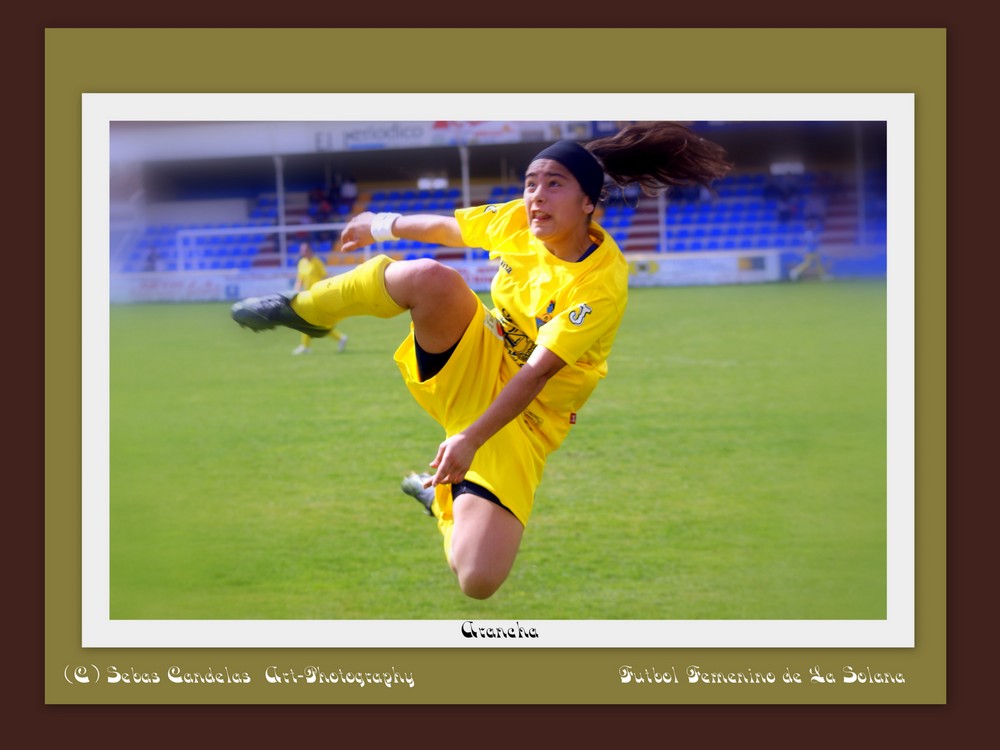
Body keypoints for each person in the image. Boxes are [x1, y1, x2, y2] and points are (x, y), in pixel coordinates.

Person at [231, 122, 732, 599]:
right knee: (431, 277)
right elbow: (451, 230)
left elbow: (537, 373)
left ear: (588, 202)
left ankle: (442, 505)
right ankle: (302, 310)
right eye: (531, 182)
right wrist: (379, 224)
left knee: (477, 579)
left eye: (553, 184)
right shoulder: (518, 220)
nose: (536, 194)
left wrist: (472, 437)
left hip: (529, 418)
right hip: (479, 353)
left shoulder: (598, 284)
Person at [290, 242, 349, 355]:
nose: (302, 252)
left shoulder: (316, 262)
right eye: (301, 250)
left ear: (309, 250)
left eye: (304, 250)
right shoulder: (302, 263)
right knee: (310, 321)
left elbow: (324, 276)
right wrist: (295, 291)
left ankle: (307, 346)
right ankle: (339, 338)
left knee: (310, 321)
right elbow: (300, 279)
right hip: (307, 295)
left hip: (317, 295)